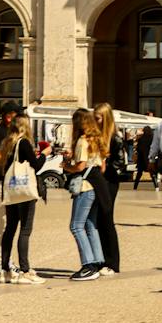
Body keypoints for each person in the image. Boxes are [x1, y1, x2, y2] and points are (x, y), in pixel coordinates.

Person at [0, 110, 45, 285]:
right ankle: (25, 270)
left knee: (10, 229)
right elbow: (36, 165)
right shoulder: (23, 143)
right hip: (24, 192)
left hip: (11, 190)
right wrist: (46, 153)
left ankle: (5, 270)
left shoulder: (7, 143)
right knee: (25, 230)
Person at [0, 96, 24, 280]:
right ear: (8, 116)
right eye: (16, 115)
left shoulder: (13, 134)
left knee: (10, 224)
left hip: (11, 182)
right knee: (2, 223)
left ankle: (7, 261)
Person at [65, 108, 105, 281]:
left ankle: (88, 265)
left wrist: (66, 166)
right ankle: (97, 260)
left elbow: (80, 167)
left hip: (85, 187)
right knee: (90, 225)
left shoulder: (82, 141)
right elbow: (102, 166)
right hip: (96, 186)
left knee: (76, 226)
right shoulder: (96, 139)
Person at [89, 101, 124, 276]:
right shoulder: (96, 136)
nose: (96, 121)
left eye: (98, 118)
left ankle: (112, 262)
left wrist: (106, 164)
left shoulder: (115, 138)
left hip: (109, 181)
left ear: (106, 118)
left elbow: (120, 164)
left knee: (107, 219)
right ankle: (100, 259)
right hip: (98, 181)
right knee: (97, 220)